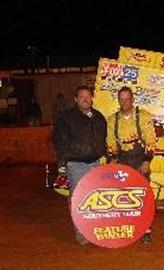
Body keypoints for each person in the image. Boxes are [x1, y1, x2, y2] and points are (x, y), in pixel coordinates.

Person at [52, 85, 107, 245]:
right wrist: (63, 161)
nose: (85, 99)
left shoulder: (98, 117)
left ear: (92, 98)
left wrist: (105, 156)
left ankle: (94, 229)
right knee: (78, 198)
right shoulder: (66, 117)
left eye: (88, 96)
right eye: (81, 97)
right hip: (76, 164)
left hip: (96, 162)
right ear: (76, 99)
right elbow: (58, 141)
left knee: (95, 198)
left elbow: (103, 139)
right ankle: (82, 234)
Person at [106, 86, 157, 244]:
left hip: (140, 159)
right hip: (122, 161)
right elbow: (111, 143)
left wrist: (147, 160)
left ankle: (146, 230)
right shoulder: (112, 120)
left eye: (128, 99)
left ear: (132, 99)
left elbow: (151, 141)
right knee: (123, 197)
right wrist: (113, 159)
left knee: (143, 197)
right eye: (122, 99)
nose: (125, 102)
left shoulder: (144, 116)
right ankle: (128, 227)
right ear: (118, 100)